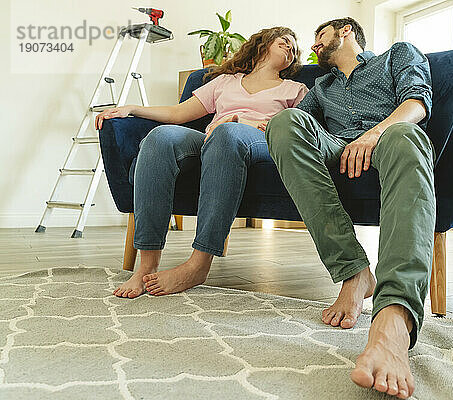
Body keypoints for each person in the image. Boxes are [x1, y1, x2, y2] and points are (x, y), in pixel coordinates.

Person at [265, 18, 434, 399]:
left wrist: (373, 135)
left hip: (389, 136)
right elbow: (300, 126)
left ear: (344, 32)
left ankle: (394, 317)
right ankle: (354, 271)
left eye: (319, 37)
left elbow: (417, 102)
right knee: (285, 122)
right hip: (339, 147)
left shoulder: (396, 55)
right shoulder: (321, 86)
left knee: (407, 135)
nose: (313, 47)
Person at [94, 27, 308, 299]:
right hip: (214, 138)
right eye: (284, 42)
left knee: (227, 133)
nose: (291, 49)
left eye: (294, 47)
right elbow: (179, 112)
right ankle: (146, 266)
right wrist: (132, 108)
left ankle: (198, 265)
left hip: (258, 142)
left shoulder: (295, 89)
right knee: (160, 137)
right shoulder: (226, 82)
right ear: (262, 44)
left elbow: (296, 130)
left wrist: (245, 123)